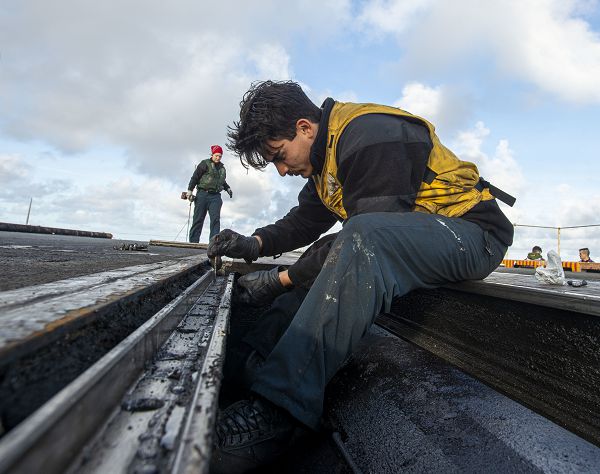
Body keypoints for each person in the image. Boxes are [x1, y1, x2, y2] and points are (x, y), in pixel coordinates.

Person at [207, 80, 515, 473]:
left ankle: (276, 413)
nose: (282, 170)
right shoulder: (324, 159)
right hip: (415, 238)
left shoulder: (371, 134)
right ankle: (247, 366)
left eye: (280, 156)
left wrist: (278, 281)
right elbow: (306, 221)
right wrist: (252, 244)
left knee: (356, 244)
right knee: (333, 265)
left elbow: (363, 239)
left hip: (473, 235)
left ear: (304, 127)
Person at [185, 145, 232, 243]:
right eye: (216, 155)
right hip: (202, 194)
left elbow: (222, 181)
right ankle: (193, 243)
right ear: (212, 154)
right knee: (198, 219)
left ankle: (214, 244)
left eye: (220, 156)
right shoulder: (204, 164)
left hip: (215, 197)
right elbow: (195, 177)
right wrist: (190, 190)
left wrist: (228, 188)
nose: (218, 158)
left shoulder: (222, 168)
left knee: (215, 220)